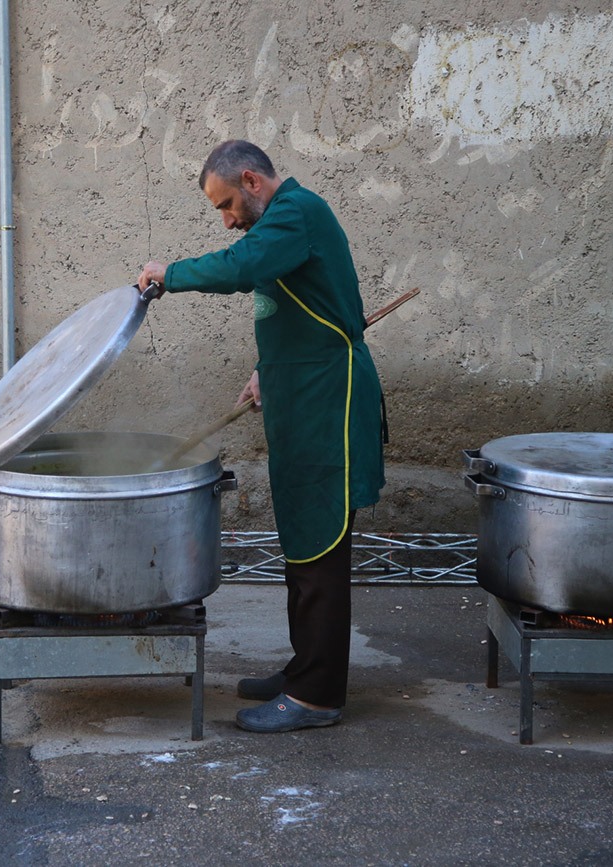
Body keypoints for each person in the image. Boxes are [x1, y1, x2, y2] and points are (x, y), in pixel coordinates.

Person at [138, 140, 385, 733]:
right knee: (302, 539)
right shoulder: (285, 224)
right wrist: (264, 370)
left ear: (251, 180)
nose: (227, 220)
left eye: (226, 204)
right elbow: (303, 309)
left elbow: (242, 267)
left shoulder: (295, 213)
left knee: (321, 544)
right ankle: (305, 668)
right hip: (299, 398)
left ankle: (317, 695)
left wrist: (171, 274)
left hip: (327, 404)